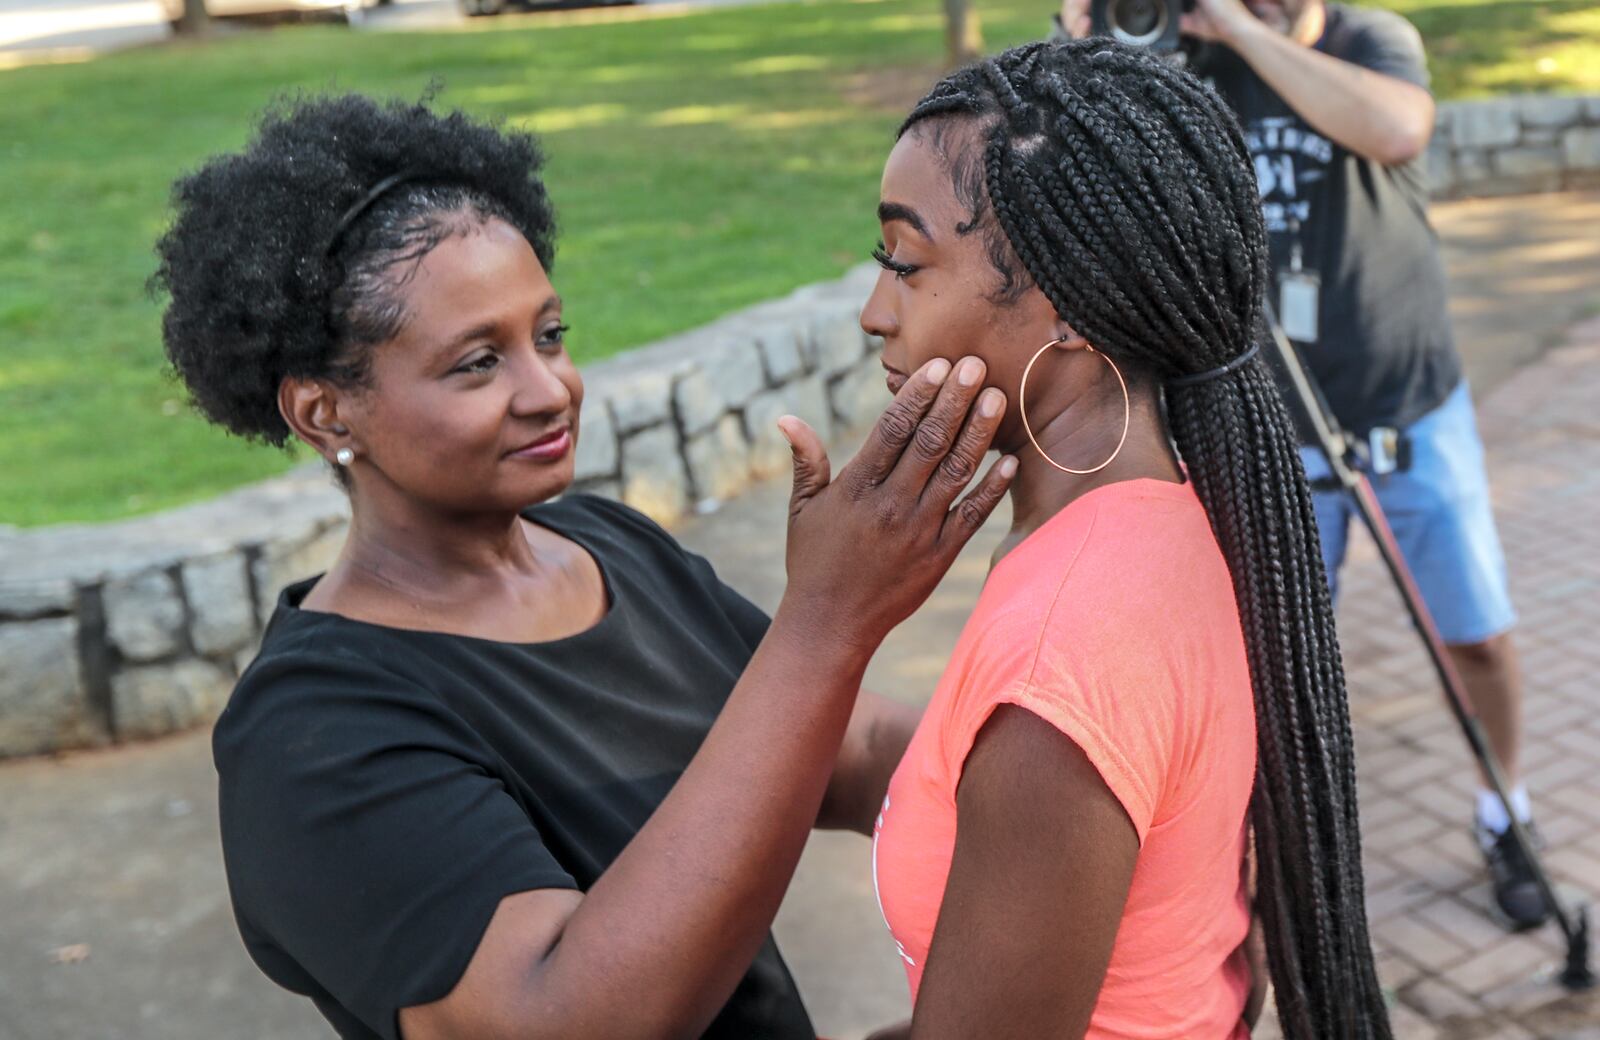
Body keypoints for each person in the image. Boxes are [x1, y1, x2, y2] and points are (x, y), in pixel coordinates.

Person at [151, 93, 1019, 1040]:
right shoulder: (314, 732)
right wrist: (826, 622)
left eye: (550, 335)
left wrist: (1086, 763)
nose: (549, 389)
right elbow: (565, 1017)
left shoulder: (611, 550)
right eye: (478, 364)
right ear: (324, 414)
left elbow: (853, 753)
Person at [861, 40, 1390, 1039]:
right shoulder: (1175, 515)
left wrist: (824, 616)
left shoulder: (1063, 655)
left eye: (905, 260)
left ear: (1062, 299)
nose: (873, 311)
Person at [1056, 0, 1547, 931]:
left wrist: (1243, 32)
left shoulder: (1372, 41)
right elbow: (1087, 181)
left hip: (1407, 405)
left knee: (1475, 632)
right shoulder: (1180, 64)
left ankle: (1505, 806)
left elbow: (1398, 128)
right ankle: (1281, 859)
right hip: (1265, 430)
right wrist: (1091, 49)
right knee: (1271, 662)